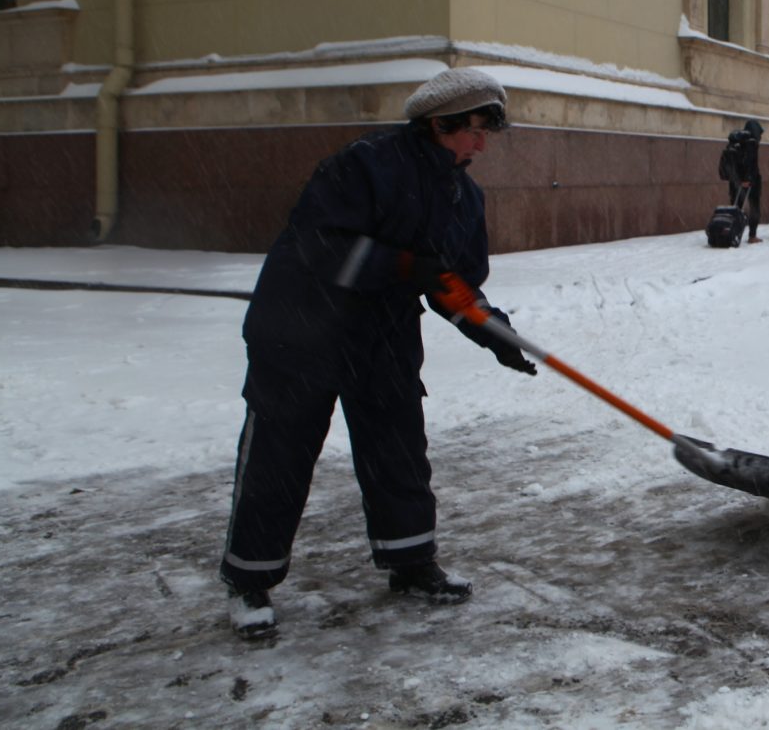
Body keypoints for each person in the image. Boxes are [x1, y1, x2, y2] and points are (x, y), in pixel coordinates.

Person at [219, 67, 536, 640]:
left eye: (490, 129)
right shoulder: (364, 164)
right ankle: (251, 580)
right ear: (440, 123)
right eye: (476, 128)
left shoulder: (465, 196)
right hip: (302, 324)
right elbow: (319, 243)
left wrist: (493, 331)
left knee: (398, 448)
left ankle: (410, 560)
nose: (483, 142)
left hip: (382, 332)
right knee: (280, 452)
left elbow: (453, 281)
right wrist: (400, 265)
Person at [724, 118, 765, 243]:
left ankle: (731, 232)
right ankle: (752, 236)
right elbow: (749, 163)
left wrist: (737, 179)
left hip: (735, 179)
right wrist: (747, 179)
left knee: (736, 207)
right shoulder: (751, 142)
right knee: (754, 206)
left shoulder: (735, 141)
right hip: (749, 180)